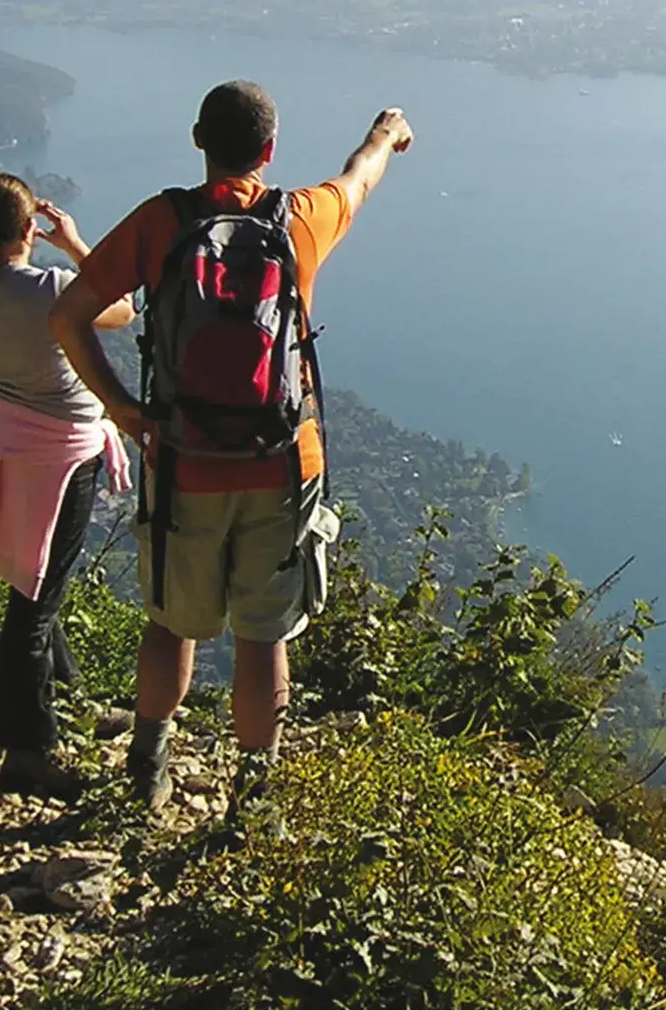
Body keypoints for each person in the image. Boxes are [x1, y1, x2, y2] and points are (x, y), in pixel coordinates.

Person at [50, 81, 413, 812]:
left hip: (182, 462)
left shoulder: (161, 223)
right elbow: (360, 176)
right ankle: (254, 802)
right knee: (263, 637)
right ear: (270, 151)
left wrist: (123, 409)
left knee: (170, 623)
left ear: (197, 140)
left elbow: (70, 316)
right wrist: (387, 135)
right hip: (281, 465)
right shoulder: (300, 219)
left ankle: (148, 771)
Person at [0, 171, 135, 798]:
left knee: (29, 582)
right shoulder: (51, 289)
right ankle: (28, 749)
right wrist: (76, 244)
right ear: (31, 229)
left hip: (5, 447)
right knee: (36, 603)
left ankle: (56, 706)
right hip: (59, 458)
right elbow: (122, 310)